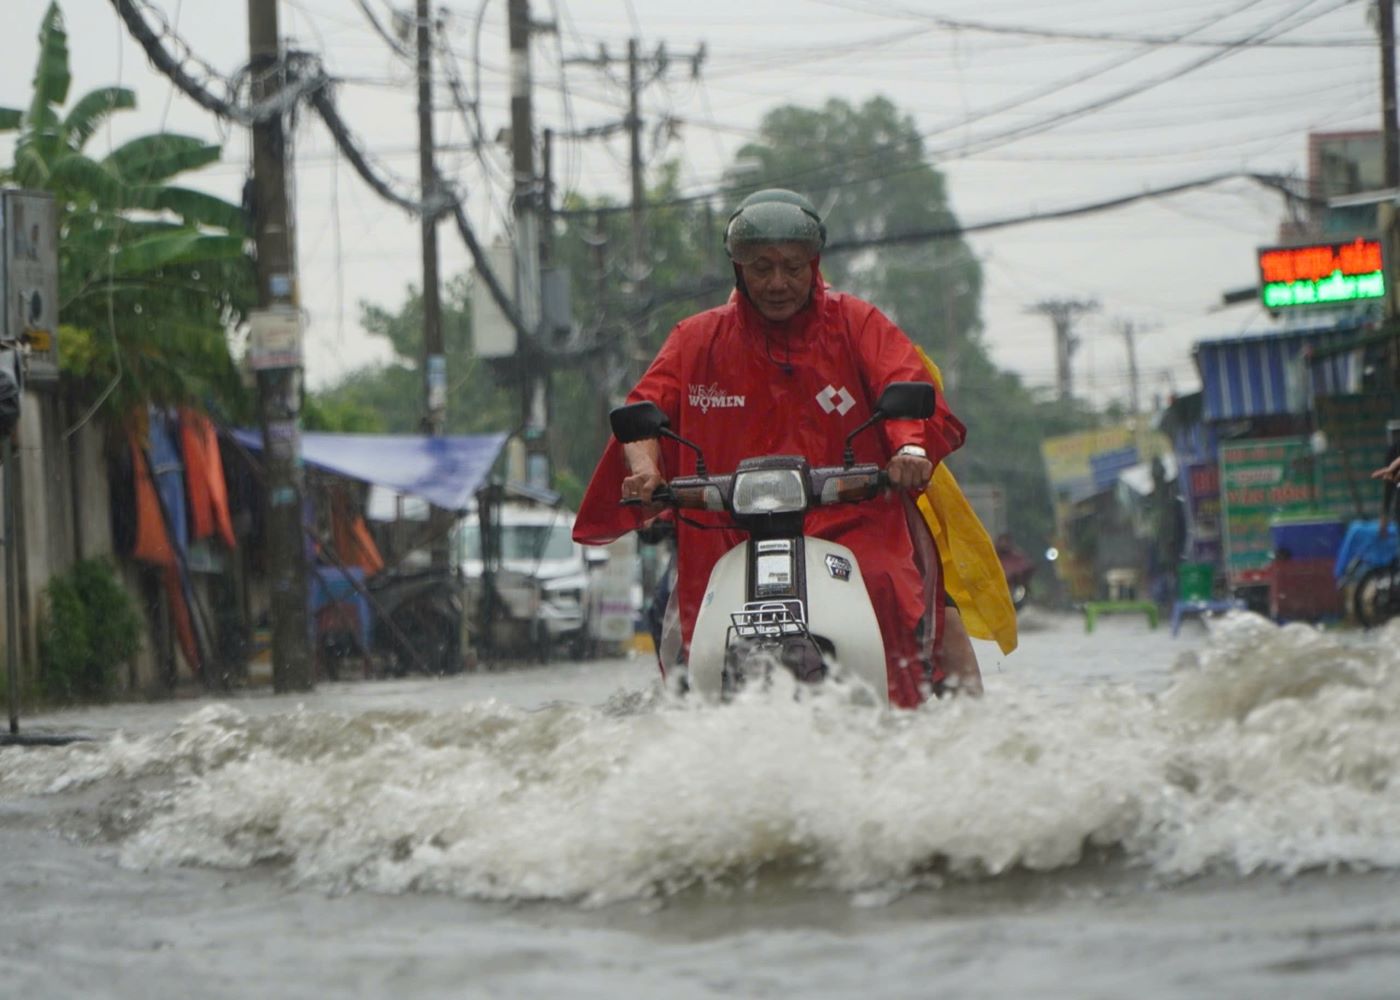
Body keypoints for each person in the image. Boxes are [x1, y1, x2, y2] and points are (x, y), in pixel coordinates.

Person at [573, 188, 982, 707]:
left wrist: (908, 453)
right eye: (761, 267)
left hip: (853, 522)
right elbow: (643, 413)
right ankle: (688, 728)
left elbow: (902, 390)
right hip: (724, 529)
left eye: (792, 266)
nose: (777, 283)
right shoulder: (695, 339)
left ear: (814, 264)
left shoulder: (856, 323)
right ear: (737, 269)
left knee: (896, 589)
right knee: (673, 616)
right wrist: (646, 472)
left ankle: (908, 719)